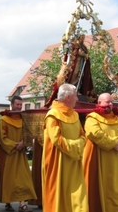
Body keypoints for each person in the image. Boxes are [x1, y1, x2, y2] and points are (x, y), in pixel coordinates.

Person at [42, 83, 88, 212]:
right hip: (59, 163)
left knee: (78, 198)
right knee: (60, 197)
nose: (77, 99)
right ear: (68, 97)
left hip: (74, 163)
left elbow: (83, 135)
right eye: (76, 96)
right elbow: (56, 139)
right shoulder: (53, 115)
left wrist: (78, 145)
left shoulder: (75, 115)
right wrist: (76, 146)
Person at [83, 92, 118, 212]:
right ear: (99, 103)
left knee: (116, 188)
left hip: (115, 161)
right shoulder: (92, 117)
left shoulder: (116, 119)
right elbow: (95, 134)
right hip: (98, 158)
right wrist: (115, 143)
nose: (109, 104)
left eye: (111, 102)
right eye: (107, 102)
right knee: (98, 188)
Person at [0, 95, 36, 212]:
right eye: (17, 104)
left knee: (23, 179)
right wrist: (15, 145)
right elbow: (2, 138)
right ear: (12, 105)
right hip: (8, 155)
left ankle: (22, 204)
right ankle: (7, 202)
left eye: (20, 105)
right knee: (8, 179)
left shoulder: (24, 120)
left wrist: (23, 143)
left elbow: (29, 134)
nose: (19, 107)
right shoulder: (3, 121)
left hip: (21, 154)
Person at [43, 33, 96, 108]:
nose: (83, 39)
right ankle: (72, 87)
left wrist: (86, 56)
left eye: (83, 38)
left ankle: (77, 90)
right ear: (79, 38)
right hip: (74, 64)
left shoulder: (83, 46)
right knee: (74, 76)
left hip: (81, 64)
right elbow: (76, 52)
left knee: (79, 77)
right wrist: (84, 55)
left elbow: (84, 53)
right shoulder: (74, 45)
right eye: (81, 38)